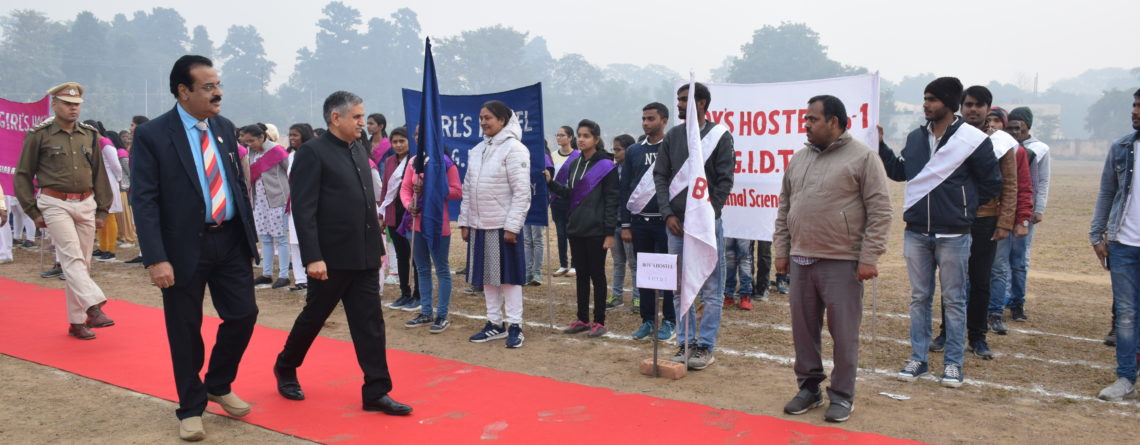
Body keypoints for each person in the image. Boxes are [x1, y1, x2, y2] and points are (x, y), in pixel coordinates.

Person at [130, 56, 260, 440]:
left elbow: (236, 183)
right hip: (182, 247)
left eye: (218, 85)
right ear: (183, 91)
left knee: (244, 314)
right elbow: (144, 200)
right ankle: (190, 407)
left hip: (230, 239)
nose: (218, 93)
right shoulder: (153, 135)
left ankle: (218, 382)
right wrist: (156, 258)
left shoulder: (223, 127)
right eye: (208, 87)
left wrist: (248, 237)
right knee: (185, 328)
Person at [274, 91, 410, 416]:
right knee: (314, 317)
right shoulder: (312, 153)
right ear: (336, 117)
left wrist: (376, 248)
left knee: (370, 323)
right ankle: (286, 365)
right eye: (357, 117)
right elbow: (304, 209)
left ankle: (376, 391)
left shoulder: (358, 148)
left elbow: (366, 202)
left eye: (363, 117)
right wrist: (312, 257)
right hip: (329, 259)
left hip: (363, 255)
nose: (363, 123)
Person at [878, 77, 1002, 388]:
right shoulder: (915, 137)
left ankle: (953, 363)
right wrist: (880, 146)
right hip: (917, 231)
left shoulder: (972, 139)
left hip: (954, 234)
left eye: (932, 99)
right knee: (919, 298)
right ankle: (918, 358)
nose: (926, 104)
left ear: (948, 103)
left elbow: (991, 183)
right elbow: (900, 172)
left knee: (954, 300)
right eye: (925, 98)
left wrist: (963, 207)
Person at [777, 95, 892, 423]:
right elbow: (785, 207)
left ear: (835, 122)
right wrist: (782, 251)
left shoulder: (863, 158)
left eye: (813, 119)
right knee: (803, 332)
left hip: (842, 261)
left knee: (843, 334)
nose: (806, 124)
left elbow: (881, 211)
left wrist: (869, 257)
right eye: (806, 118)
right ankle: (809, 388)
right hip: (801, 258)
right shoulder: (799, 158)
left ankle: (842, 395)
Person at [14, 82, 114, 341]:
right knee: (71, 258)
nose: (73, 109)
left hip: (86, 202)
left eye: (77, 104)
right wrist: (32, 211)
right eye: (68, 104)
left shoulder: (89, 135)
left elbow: (99, 174)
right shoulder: (39, 135)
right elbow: (23, 174)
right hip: (54, 202)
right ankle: (94, 307)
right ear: (54, 105)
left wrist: (102, 210)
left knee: (82, 264)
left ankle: (77, 322)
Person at [928, 86, 1019, 360]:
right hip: (953, 220)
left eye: (979, 105)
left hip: (984, 220)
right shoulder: (950, 136)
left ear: (988, 109)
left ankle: (978, 336)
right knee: (951, 280)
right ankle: (947, 332)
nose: (973, 110)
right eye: (968, 104)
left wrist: (1004, 222)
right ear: (961, 107)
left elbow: (1010, 185)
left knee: (980, 280)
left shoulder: (1001, 142)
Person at [653, 82, 735, 370]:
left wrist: (710, 214)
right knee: (679, 288)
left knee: (711, 289)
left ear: (702, 103)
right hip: (676, 225)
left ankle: (705, 346)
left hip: (707, 225)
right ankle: (685, 342)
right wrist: (667, 214)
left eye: (685, 99)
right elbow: (660, 176)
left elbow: (725, 180)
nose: (679, 104)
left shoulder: (720, 136)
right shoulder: (673, 136)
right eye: (678, 99)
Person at [460, 100, 532, 348]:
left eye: (488, 118)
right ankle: (494, 324)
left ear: (502, 120)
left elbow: (522, 192)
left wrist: (512, 226)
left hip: (502, 226)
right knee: (488, 278)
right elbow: (467, 189)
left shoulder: (515, 149)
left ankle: (515, 325)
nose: (483, 122)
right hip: (480, 225)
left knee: (509, 278)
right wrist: (465, 221)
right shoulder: (477, 150)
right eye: (481, 118)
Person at [1090, 88, 1140, 401]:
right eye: (1134, 105)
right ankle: (1125, 377)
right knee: (1126, 314)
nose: (1134, 111)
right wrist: (1097, 235)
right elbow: (1107, 192)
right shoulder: (1122, 147)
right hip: (1123, 244)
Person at [549, 119, 619, 338]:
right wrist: (551, 183)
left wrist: (609, 232)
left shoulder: (606, 166)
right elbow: (570, 195)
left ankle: (599, 321)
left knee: (597, 275)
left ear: (596, 139)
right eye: (579, 135)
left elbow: (612, 200)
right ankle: (582, 319)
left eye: (586, 136)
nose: (581, 139)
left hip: (597, 231)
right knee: (581, 276)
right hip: (576, 228)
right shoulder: (575, 164)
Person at [620, 102, 677, 341]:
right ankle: (648, 320)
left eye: (651, 118)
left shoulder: (673, 147)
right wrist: (625, 224)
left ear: (664, 120)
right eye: (643, 118)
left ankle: (670, 321)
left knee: (668, 273)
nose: (645, 123)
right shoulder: (634, 151)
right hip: (639, 223)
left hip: (665, 223)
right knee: (644, 274)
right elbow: (625, 187)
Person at [400, 138, 462, 333]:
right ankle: (426, 312)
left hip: (437, 224)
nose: (420, 138)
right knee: (422, 268)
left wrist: (430, 188)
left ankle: (442, 315)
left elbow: (456, 191)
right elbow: (405, 188)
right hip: (415, 223)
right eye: (418, 135)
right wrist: (409, 204)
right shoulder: (414, 161)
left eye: (423, 134)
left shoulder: (445, 163)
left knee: (441, 269)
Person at [996, 106, 1051, 323]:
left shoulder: (1037, 150)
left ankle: (1017, 302)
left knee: (1019, 260)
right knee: (999, 262)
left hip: (1024, 212)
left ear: (1026, 126)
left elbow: (1040, 182)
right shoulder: (1001, 146)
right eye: (1010, 127)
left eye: (1017, 127)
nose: (1013, 131)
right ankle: (999, 301)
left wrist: (1037, 209)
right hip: (1003, 212)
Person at [986, 107, 1033, 336]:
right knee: (969, 269)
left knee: (998, 268)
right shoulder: (973, 143)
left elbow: (1022, 186)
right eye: (989, 120)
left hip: (1001, 218)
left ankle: (995, 313)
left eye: (997, 120)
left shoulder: (1015, 149)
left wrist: (1022, 219)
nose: (992, 124)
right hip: (976, 217)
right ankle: (970, 311)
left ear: (1004, 125)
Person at [239, 123, 292, 290]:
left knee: (281, 238)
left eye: (251, 141)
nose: (248, 144)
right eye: (246, 141)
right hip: (259, 201)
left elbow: (290, 172)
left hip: (277, 199)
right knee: (265, 238)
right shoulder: (251, 153)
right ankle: (266, 274)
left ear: (262, 137)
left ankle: (284, 275)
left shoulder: (277, 151)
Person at [381, 127, 421, 309]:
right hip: (393, 214)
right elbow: (385, 189)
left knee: (416, 257)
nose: (398, 145)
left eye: (401, 141)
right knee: (401, 255)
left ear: (409, 142)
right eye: (395, 142)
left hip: (411, 214)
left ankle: (418, 294)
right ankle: (405, 293)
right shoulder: (389, 161)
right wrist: (381, 215)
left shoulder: (416, 161)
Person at [607, 133, 638, 310]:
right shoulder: (612, 170)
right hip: (615, 223)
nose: (615, 153)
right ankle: (616, 296)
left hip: (630, 225)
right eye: (613, 149)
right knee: (618, 263)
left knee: (634, 264)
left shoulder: (635, 170)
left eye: (618, 150)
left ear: (629, 150)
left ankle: (638, 298)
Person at [87, 121, 123, 262]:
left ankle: (111, 249)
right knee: (100, 215)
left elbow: (116, 165)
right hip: (99, 181)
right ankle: (103, 247)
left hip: (109, 181)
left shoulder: (106, 144)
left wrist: (119, 179)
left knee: (110, 214)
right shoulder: (96, 144)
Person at [286, 123, 314, 292]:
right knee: (294, 241)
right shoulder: (291, 156)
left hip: (310, 203)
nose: (292, 138)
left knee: (307, 239)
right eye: (290, 135)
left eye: (295, 135)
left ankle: (311, 275)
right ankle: (300, 278)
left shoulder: (313, 153)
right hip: (294, 202)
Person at [549, 125, 578, 277]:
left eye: (562, 135)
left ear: (570, 137)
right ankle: (563, 264)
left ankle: (575, 264)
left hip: (572, 200)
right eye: (557, 135)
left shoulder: (578, 156)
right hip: (556, 200)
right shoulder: (553, 156)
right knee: (560, 234)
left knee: (572, 233)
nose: (558, 137)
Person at [724, 237, 755, 310]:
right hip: (728, 230)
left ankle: (745, 296)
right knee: (729, 258)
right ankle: (727, 294)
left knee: (744, 258)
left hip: (745, 231)